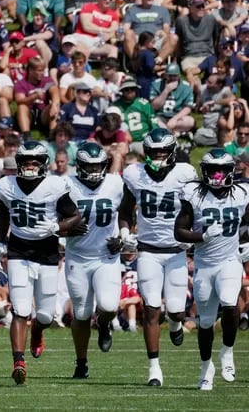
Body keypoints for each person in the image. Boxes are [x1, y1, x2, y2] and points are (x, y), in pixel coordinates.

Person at [0, 140, 83, 385]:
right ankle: (18, 362)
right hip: (18, 250)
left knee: (45, 315)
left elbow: (75, 216)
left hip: (47, 252)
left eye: (35, 162)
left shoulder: (55, 185)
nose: (30, 166)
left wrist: (57, 226)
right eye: (25, 162)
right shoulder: (7, 185)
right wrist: (0, 244)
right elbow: (2, 214)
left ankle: (38, 332)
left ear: (44, 164)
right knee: (20, 309)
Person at [119, 128, 198, 386]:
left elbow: (194, 209)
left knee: (175, 312)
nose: (159, 157)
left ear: (173, 152)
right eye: (154, 152)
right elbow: (125, 209)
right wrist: (124, 231)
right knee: (151, 308)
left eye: (163, 152)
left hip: (176, 252)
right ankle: (154, 369)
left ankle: (176, 325)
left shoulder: (185, 174)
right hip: (148, 251)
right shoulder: (135, 174)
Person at [174, 150, 249, 390]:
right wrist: (202, 236)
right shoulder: (194, 195)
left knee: (230, 304)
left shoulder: (242, 194)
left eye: (221, 171)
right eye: (212, 171)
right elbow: (179, 231)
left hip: (229, 261)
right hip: (204, 264)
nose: (217, 177)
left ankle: (227, 352)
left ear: (230, 172)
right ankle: (206, 368)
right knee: (205, 322)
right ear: (204, 172)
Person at [64, 142, 125, 379]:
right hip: (77, 257)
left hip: (106, 256)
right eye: (88, 166)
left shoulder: (115, 183)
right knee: (80, 313)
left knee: (109, 306)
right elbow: (53, 221)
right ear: (79, 166)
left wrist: (122, 237)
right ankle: (81, 362)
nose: (93, 171)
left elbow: (128, 213)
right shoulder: (67, 184)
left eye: (97, 166)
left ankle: (104, 323)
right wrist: (67, 229)